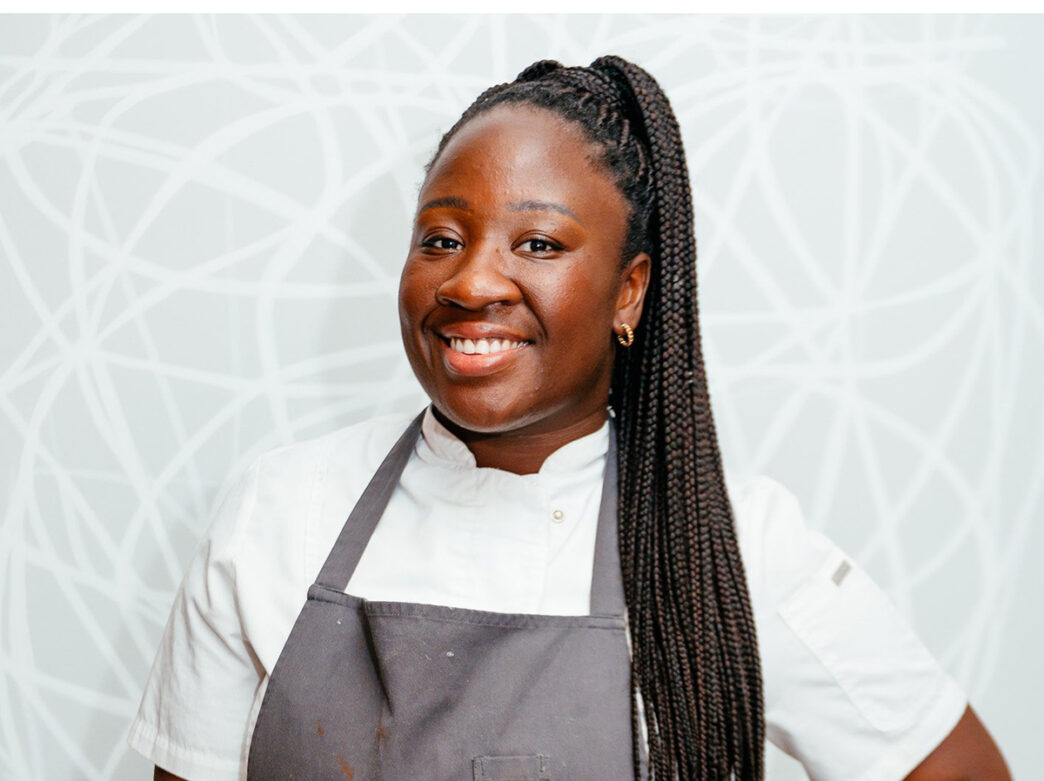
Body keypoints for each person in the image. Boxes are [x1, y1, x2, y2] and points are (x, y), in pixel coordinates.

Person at [129, 56, 1010, 781]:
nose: (471, 282)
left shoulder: (727, 547)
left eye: (538, 244)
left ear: (630, 292)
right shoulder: (278, 513)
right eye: (441, 238)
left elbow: (962, 767)